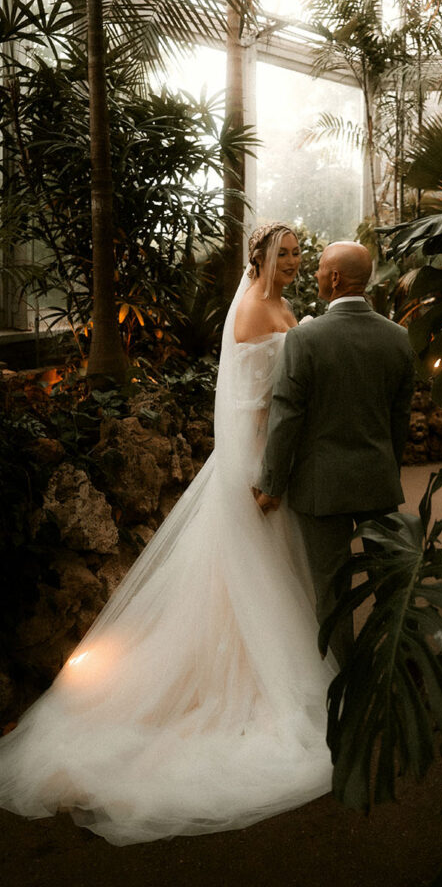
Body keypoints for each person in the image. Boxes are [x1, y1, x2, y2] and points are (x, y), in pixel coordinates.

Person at [0, 223, 337, 846]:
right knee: (252, 570)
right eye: (283, 254)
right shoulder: (256, 314)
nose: (293, 262)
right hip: (260, 458)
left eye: (297, 254)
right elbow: (258, 402)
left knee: (265, 573)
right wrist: (271, 466)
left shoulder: (281, 305)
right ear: (260, 258)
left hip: (275, 455)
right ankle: (243, 680)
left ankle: (249, 662)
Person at [254, 241, 414, 667]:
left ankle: (346, 680)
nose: (317, 274)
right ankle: (398, 665)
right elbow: (400, 422)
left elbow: (286, 417)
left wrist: (271, 485)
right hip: (378, 480)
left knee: (333, 591)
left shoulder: (306, 339)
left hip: (320, 490)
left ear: (336, 278)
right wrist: (385, 468)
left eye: (322, 268)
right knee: (391, 581)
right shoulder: (398, 339)